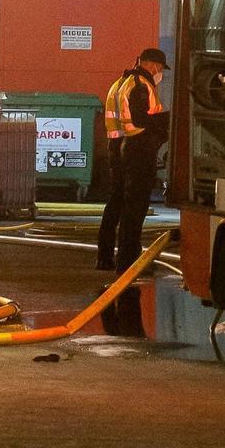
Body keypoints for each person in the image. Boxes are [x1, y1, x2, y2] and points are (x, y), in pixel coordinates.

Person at [97, 46, 170, 335]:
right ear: (150, 64)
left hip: (119, 147)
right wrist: (166, 122)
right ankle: (129, 262)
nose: (160, 73)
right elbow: (141, 121)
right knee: (135, 207)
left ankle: (106, 255)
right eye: (160, 68)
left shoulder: (121, 82)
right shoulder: (140, 85)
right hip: (137, 149)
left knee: (117, 203)